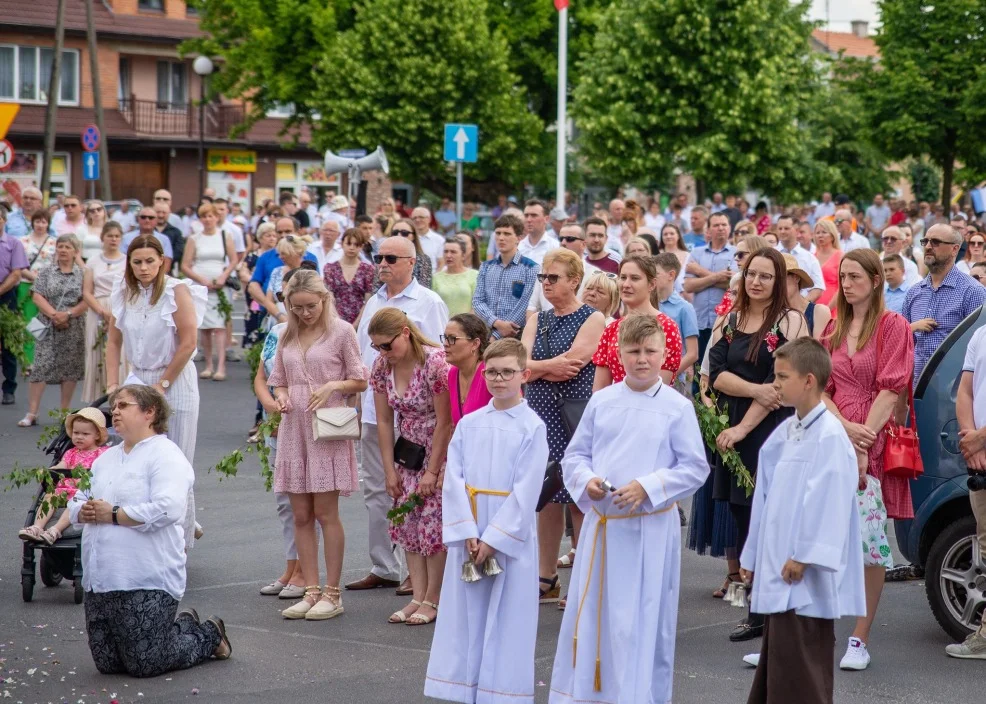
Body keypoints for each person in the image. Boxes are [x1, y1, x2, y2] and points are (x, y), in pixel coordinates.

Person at [548, 314, 708, 704]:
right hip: (603, 528)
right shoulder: (602, 401)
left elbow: (694, 467)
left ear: (664, 353)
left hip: (649, 531)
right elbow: (575, 456)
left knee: (638, 621)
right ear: (619, 354)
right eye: (633, 351)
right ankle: (589, 694)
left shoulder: (676, 407)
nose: (641, 359)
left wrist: (648, 486)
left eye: (649, 351)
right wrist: (586, 480)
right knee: (597, 618)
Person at [68, 385, 231, 676]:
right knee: (108, 665)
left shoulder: (165, 454)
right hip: (102, 577)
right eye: (114, 407)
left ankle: (209, 634)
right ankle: (180, 626)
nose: (114, 411)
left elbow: (168, 508)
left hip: (146, 576)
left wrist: (115, 514)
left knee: (145, 664)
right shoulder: (105, 459)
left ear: (149, 412)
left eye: (123, 406)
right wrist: (84, 510)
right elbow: (77, 499)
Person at [423, 338, 548, 703]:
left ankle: (502, 691)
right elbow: (454, 479)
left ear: (524, 375)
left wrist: (494, 538)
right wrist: (466, 531)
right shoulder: (470, 423)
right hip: (471, 527)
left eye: (507, 372)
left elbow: (527, 490)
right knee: (465, 613)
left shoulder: (532, 427)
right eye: (491, 372)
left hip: (507, 531)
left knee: (509, 614)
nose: (498, 378)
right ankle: (462, 686)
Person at [740, 338, 865, 700]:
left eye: (782, 376)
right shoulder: (788, 431)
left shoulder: (829, 436)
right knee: (780, 659)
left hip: (802, 571)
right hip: (778, 562)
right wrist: (753, 557)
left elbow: (831, 503)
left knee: (802, 663)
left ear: (809, 380)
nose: (775, 384)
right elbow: (765, 498)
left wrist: (805, 555)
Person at [821, 248, 915, 671]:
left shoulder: (893, 326)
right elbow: (819, 387)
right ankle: (814, 629)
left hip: (871, 440)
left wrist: (863, 441)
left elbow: (891, 388)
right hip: (834, 433)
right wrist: (843, 428)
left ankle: (860, 637)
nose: (846, 283)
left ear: (877, 280)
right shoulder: (834, 326)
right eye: (842, 276)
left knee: (870, 543)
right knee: (824, 535)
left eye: (855, 275)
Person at [709, 248, 808, 642]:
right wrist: (753, 389)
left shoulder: (791, 321)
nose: (757, 281)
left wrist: (743, 429)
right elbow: (716, 374)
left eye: (766, 276)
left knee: (770, 518)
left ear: (779, 280)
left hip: (769, 431)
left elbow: (783, 384)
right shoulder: (730, 320)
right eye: (752, 274)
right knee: (742, 517)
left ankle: (771, 608)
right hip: (735, 425)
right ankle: (757, 603)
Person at [348, 235, 449, 594]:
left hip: (422, 418)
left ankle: (417, 578)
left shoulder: (428, 302)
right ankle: (383, 565)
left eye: (391, 257)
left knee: (426, 503)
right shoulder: (374, 301)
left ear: (411, 261)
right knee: (381, 490)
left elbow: (439, 358)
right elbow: (365, 356)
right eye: (379, 257)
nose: (383, 263)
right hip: (383, 412)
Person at [268, 270, 368, 620]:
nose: (305, 313)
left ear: (324, 299)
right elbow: (278, 381)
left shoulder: (342, 331)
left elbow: (361, 379)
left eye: (310, 306)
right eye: (297, 308)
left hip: (327, 426)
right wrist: (280, 397)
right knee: (300, 514)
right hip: (294, 423)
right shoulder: (286, 333)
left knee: (326, 514)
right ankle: (310, 591)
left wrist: (332, 386)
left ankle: (333, 593)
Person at [106, 235, 207, 549]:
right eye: (137, 261)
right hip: (138, 379)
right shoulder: (123, 291)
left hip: (174, 379)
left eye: (150, 261)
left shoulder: (177, 291)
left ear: (162, 261)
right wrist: (113, 384)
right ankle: (144, 536)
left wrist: (162, 384)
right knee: (138, 457)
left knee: (175, 460)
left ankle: (179, 543)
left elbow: (189, 342)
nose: (144, 267)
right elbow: (113, 341)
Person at [520, 249, 606, 605]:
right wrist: (547, 366)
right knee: (547, 496)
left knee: (578, 496)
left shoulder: (593, 317)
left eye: (553, 278)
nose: (547, 284)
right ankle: (546, 575)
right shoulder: (537, 317)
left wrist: (538, 367)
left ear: (574, 280)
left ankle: (584, 576)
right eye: (543, 278)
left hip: (573, 412)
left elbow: (578, 360)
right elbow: (519, 362)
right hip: (539, 411)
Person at [369, 308, 453, 626]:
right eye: (377, 347)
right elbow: (383, 420)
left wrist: (433, 470)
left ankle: (434, 598)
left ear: (405, 333)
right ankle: (418, 596)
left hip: (436, 448)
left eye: (387, 345)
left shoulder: (434, 362)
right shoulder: (382, 366)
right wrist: (389, 470)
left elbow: (446, 421)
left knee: (432, 525)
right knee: (408, 525)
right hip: (407, 452)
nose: (382, 352)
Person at [254, 268, 306, 599]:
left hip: (307, 423)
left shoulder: (326, 333)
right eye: (286, 299)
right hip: (279, 421)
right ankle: (290, 566)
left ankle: (305, 571)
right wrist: (271, 406)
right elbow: (261, 377)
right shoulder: (277, 331)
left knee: (307, 502)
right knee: (284, 501)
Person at [903, 224, 986, 386]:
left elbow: (979, 350)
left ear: (955, 249)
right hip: (916, 390)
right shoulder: (914, 292)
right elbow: (905, 345)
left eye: (935, 242)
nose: (927, 246)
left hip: (952, 392)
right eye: (925, 241)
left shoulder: (973, 291)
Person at [19, 235, 88, 427]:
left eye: (68, 247)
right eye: (60, 246)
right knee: (41, 365)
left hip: (73, 326)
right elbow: (37, 295)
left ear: (76, 251)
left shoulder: (82, 274)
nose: (63, 250)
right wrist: (54, 315)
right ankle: (32, 412)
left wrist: (67, 314)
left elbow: (86, 300)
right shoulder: (47, 271)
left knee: (70, 369)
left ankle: (63, 412)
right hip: (48, 324)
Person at [18, 407, 109, 545]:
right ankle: (37, 527)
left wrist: (84, 482)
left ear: (97, 435)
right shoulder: (71, 453)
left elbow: (103, 473)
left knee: (75, 504)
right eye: (76, 432)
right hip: (64, 490)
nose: (79, 436)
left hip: (84, 493)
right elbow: (62, 465)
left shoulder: (102, 453)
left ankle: (55, 530)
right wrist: (51, 471)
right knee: (49, 495)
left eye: (85, 434)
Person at [949, 321, 986, 658]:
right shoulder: (980, 334)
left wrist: (981, 437)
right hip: (980, 458)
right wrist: (970, 439)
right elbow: (965, 391)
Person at [593, 256, 684, 388]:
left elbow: (659, 387)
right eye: (623, 277)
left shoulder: (666, 327)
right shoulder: (612, 329)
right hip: (614, 406)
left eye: (634, 278)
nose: (626, 284)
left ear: (652, 284)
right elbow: (599, 390)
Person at [181, 203, 237, 382]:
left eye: (210, 216)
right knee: (204, 328)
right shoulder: (194, 238)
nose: (207, 219)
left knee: (220, 327)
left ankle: (220, 366)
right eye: (203, 216)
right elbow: (185, 265)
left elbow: (234, 259)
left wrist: (223, 277)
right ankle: (208, 365)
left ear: (216, 217)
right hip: (201, 285)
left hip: (220, 284)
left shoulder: (224, 235)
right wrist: (200, 280)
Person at [80, 222, 128, 403]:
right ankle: (97, 400)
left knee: (120, 352)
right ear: (103, 238)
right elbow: (86, 291)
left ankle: (121, 396)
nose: (113, 239)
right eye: (110, 236)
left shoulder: (127, 260)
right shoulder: (93, 261)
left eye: (117, 236)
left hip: (120, 307)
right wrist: (102, 311)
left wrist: (115, 312)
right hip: (97, 308)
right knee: (97, 351)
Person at [473, 214, 539, 340]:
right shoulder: (486, 267)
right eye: (498, 233)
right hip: (485, 334)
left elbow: (524, 306)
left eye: (507, 234)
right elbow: (477, 301)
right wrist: (496, 323)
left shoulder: (531, 268)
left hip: (515, 337)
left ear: (519, 238)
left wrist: (496, 336)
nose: (501, 238)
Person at [684, 212, 735, 364]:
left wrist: (700, 272)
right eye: (716, 225)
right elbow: (688, 286)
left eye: (724, 225)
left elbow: (732, 284)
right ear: (708, 230)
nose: (720, 228)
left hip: (726, 321)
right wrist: (719, 277)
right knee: (699, 372)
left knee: (722, 366)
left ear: (730, 228)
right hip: (700, 322)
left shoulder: (736, 253)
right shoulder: (696, 253)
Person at [528, 223, 602, 314]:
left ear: (583, 244)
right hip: (544, 326)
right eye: (561, 239)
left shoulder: (595, 275)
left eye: (570, 239)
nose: (563, 243)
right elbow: (532, 307)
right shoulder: (545, 271)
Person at [17, 210, 57, 368]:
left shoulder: (53, 242)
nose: (40, 225)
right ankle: (28, 360)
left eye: (44, 222)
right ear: (32, 222)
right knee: (29, 322)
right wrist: (36, 278)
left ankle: (44, 359)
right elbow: (19, 265)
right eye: (37, 221)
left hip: (47, 287)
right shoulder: (22, 241)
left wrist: (45, 281)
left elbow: (55, 266)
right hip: (26, 285)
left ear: (48, 224)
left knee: (45, 321)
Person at [653, 253, 700, 387]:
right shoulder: (648, 303)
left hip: (674, 380)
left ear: (671, 275)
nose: (652, 278)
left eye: (656, 273)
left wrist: (669, 374)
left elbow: (692, 353)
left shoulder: (684, 308)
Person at [443, 313, 493, 427]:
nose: (445, 344)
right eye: (445, 338)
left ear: (475, 344)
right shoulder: (453, 373)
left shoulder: (491, 373)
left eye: (452, 338)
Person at [0, 206, 28, 405]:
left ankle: (9, 387)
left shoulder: (13, 243)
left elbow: (17, 273)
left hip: (6, 294)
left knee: (7, 342)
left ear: (4, 221)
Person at [323, 228, 375, 325]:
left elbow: (368, 300)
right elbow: (329, 298)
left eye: (356, 245)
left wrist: (356, 324)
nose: (352, 248)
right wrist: (338, 322)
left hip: (360, 319)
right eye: (349, 243)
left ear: (362, 246)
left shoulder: (368, 269)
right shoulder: (330, 268)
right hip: (335, 319)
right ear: (342, 243)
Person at [782, 254, 830, 340]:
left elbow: (818, 350)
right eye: (773, 278)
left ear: (796, 278)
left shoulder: (818, 312)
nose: (777, 283)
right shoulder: (771, 313)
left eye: (781, 277)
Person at [432, 238, 479, 316]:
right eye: (446, 251)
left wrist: (463, 324)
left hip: (468, 324)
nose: (448, 255)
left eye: (453, 252)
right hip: (443, 325)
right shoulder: (435, 278)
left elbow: (478, 305)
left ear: (463, 255)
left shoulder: (475, 275)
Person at [385, 218, 433, 289]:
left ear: (413, 236)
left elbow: (424, 287)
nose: (399, 235)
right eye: (395, 232)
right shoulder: (383, 257)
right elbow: (377, 287)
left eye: (404, 233)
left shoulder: (423, 259)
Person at [518, 199, 559, 266]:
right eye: (526, 215)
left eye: (534, 215)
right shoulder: (518, 247)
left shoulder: (556, 248)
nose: (529, 220)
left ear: (546, 219)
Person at [813, 220, 842, 308]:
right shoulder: (812, 257)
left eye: (824, 232)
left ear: (832, 236)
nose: (820, 235)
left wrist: (828, 308)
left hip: (834, 307)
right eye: (817, 233)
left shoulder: (840, 256)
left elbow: (841, 287)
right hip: (814, 307)